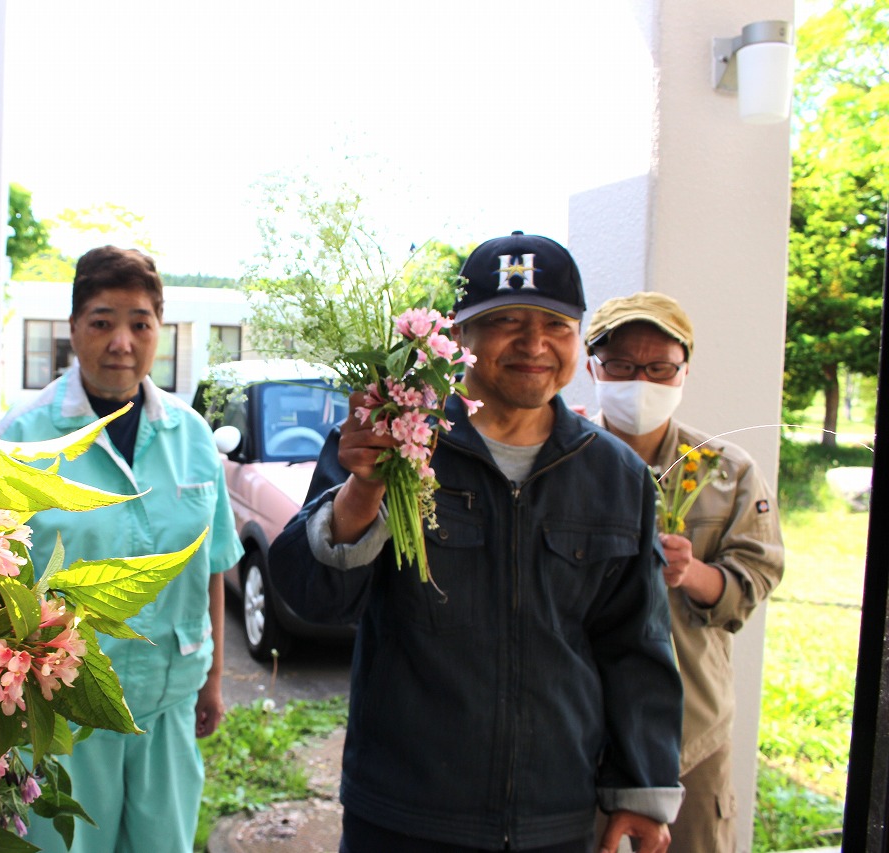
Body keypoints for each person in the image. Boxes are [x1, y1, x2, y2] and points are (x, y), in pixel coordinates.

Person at [269, 231, 684, 852]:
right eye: (505, 321)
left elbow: (637, 641)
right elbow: (311, 596)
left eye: (555, 323)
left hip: (555, 818)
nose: (533, 343)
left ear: (576, 340)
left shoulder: (616, 475)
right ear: (459, 338)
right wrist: (365, 493)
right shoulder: (388, 441)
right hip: (404, 815)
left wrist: (643, 789)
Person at [0, 246, 243, 853]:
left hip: (167, 700)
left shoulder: (191, 437)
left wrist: (212, 679)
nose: (121, 342)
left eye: (140, 323)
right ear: (74, 328)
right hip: (63, 714)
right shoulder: (21, 440)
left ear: (160, 329)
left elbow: (209, 567)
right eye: (102, 321)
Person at [585, 292, 784, 852]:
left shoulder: (725, 471)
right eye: (621, 365)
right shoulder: (563, 461)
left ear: (683, 372)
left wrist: (693, 573)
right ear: (592, 366)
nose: (640, 380)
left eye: (659, 367)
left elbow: (757, 575)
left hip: (689, 733)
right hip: (578, 731)